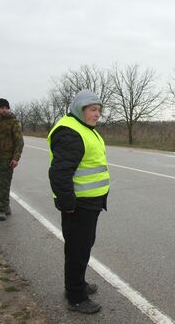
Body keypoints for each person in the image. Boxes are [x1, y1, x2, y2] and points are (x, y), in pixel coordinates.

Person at [47, 90, 109, 314]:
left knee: (83, 246)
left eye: (99, 111)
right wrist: (68, 204)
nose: (97, 115)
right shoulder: (70, 132)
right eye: (93, 110)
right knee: (77, 249)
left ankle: (78, 284)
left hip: (89, 203)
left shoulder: (84, 129)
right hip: (78, 205)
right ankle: (75, 296)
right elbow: (60, 173)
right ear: (80, 109)